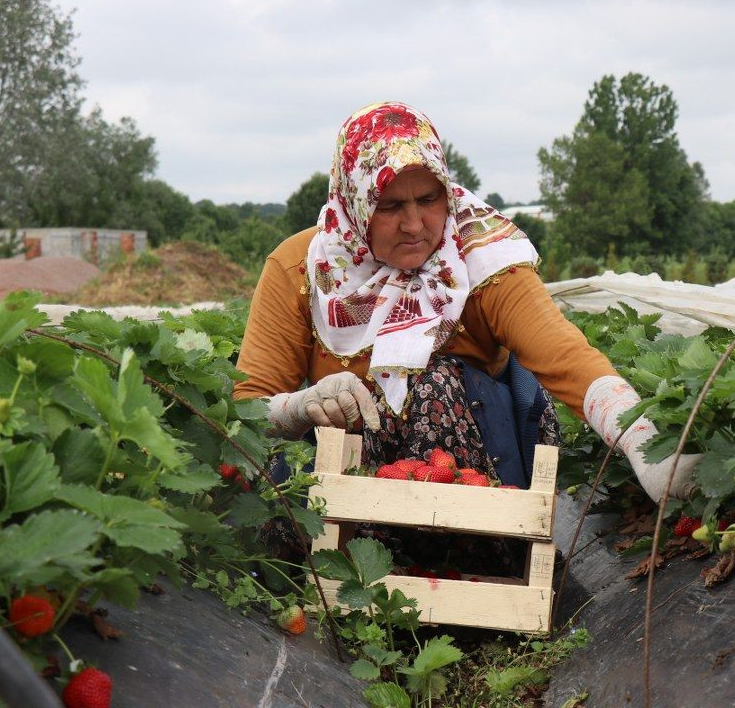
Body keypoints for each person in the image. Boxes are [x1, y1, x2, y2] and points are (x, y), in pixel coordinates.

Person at [232, 101, 699, 498]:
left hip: (477, 477)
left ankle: (474, 549)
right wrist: (303, 405)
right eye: (391, 206)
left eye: (430, 199)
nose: (414, 224)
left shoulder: (480, 258)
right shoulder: (307, 269)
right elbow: (249, 405)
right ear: (355, 204)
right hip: (343, 489)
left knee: (435, 383)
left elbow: (566, 357)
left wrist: (646, 451)